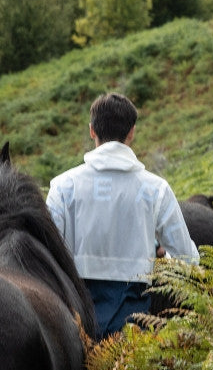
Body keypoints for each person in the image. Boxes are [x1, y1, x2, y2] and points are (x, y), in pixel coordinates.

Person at [46, 92, 199, 338]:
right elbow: (188, 260)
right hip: (134, 325)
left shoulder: (63, 187)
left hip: (74, 322)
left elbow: (48, 256)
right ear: (132, 132)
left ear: (92, 130)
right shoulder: (156, 189)